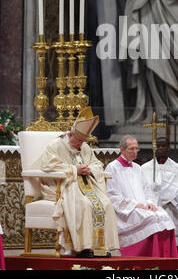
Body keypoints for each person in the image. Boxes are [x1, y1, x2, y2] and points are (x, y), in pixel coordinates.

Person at [38, 107, 120, 257]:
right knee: (84, 204)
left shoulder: (84, 147)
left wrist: (90, 169)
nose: (81, 145)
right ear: (70, 135)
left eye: (83, 141)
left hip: (88, 186)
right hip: (66, 186)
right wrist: (75, 170)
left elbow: (97, 164)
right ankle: (83, 247)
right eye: (79, 141)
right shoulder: (55, 146)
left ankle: (100, 247)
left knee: (106, 203)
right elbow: (48, 166)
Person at [105, 135, 178, 257]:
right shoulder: (112, 167)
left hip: (142, 207)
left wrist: (150, 203)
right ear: (122, 150)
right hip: (125, 211)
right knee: (151, 220)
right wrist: (135, 205)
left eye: (136, 149)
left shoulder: (138, 168)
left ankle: (165, 260)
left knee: (163, 216)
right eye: (131, 149)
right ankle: (150, 257)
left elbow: (147, 190)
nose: (135, 152)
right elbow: (112, 195)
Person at [141, 137, 178, 250]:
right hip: (151, 211)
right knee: (152, 244)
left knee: (171, 245)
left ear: (169, 148)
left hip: (170, 209)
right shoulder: (145, 168)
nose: (161, 148)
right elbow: (140, 189)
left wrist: (172, 200)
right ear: (154, 148)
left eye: (163, 146)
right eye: (158, 146)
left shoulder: (177, 168)